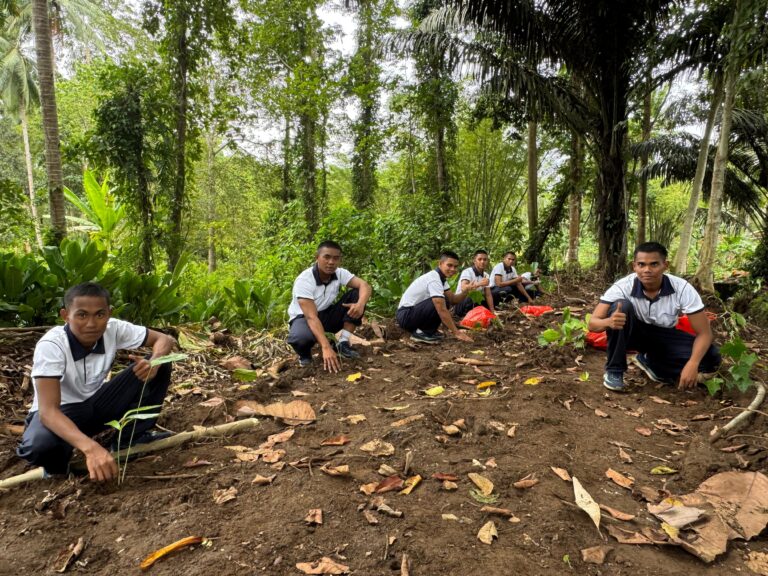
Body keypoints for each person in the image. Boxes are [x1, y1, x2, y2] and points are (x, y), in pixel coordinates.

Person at [17, 282, 177, 482]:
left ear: (109, 313)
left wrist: (153, 363)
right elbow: (48, 412)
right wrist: (92, 449)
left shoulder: (114, 328)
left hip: (97, 404)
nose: (92, 323)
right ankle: (58, 467)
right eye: (82, 315)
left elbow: (164, 340)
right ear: (65, 315)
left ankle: (129, 439)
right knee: (39, 446)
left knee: (161, 364)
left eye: (99, 315)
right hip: (61, 414)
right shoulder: (52, 345)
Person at [588, 242, 721, 393]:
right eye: (641, 264)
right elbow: (593, 324)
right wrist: (609, 322)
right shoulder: (623, 286)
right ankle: (614, 371)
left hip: (664, 336)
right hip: (632, 333)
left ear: (666, 265)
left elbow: (705, 333)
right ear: (634, 266)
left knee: (711, 357)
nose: (647, 270)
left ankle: (652, 364)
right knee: (621, 306)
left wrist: (693, 363)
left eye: (654, 264)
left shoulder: (682, 288)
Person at [287, 240, 372, 372]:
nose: (331, 262)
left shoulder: (339, 273)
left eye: (335, 258)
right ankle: (304, 356)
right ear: (317, 258)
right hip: (304, 318)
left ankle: (343, 343)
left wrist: (360, 304)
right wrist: (326, 348)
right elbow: (311, 317)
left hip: (326, 315)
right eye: (326, 257)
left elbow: (364, 285)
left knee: (357, 294)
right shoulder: (305, 280)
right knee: (300, 338)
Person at [396, 250, 474, 344]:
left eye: (455, 266)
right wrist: (457, 333)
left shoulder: (441, 279)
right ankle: (421, 333)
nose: (453, 269)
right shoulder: (434, 279)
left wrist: (465, 292)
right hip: (406, 316)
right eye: (449, 265)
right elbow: (441, 308)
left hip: (412, 313)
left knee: (445, 300)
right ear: (440, 264)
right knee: (440, 302)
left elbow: (453, 300)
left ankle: (427, 330)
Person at [454, 250, 496, 318]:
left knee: (493, 295)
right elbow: (463, 288)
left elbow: (488, 295)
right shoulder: (467, 272)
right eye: (479, 259)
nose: (482, 262)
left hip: (475, 302)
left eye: (485, 259)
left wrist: (492, 312)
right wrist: (479, 284)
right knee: (472, 297)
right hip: (461, 303)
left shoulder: (486, 275)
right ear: (474, 261)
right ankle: (465, 316)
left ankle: (480, 315)